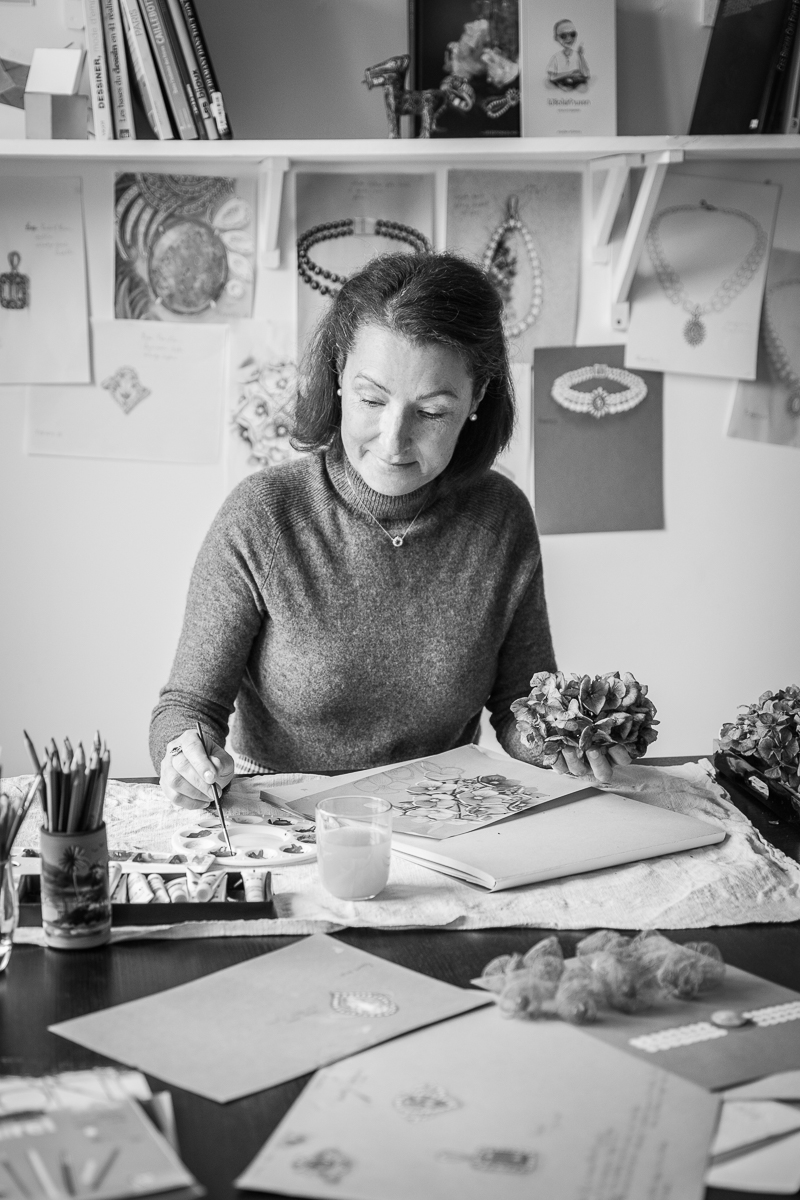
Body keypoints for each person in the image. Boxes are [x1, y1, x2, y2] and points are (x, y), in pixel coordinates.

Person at [151, 252, 628, 809]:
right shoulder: (264, 516)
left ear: (476, 398)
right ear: (338, 375)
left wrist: (564, 741)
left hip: (446, 810)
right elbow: (187, 707)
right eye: (372, 399)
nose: (393, 439)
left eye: (432, 412)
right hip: (284, 813)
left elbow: (520, 704)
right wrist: (187, 756)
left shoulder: (501, 517)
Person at [546, 19, 590, 91]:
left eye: (572, 34)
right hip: (561, 87)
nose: (569, 38)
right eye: (563, 36)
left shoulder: (577, 55)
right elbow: (551, 77)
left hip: (576, 86)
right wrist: (571, 73)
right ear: (556, 38)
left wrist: (581, 56)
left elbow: (586, 75)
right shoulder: (556, 57)